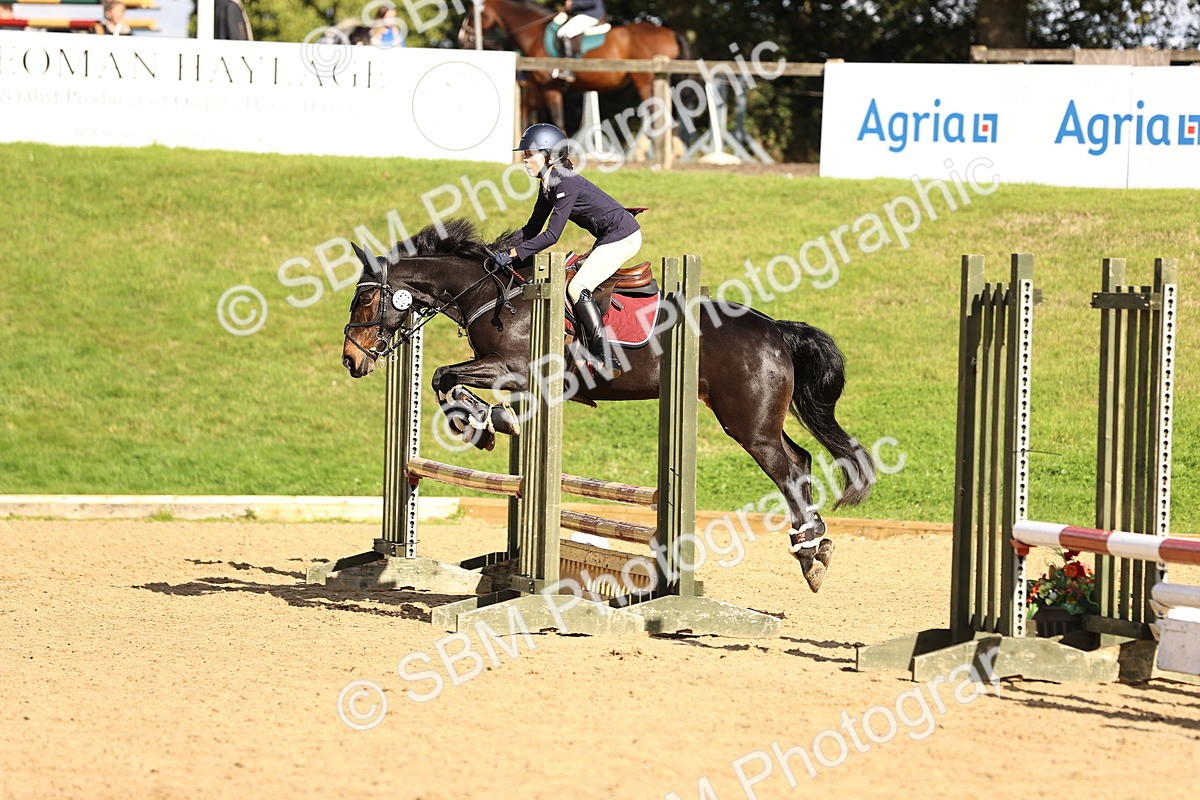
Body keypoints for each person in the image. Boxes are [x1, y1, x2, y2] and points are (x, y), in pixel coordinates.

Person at [492, 123, 641, 376]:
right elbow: (531, 229)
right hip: (608, 237)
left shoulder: (564, 183)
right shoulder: (548, 183)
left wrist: (515, 254)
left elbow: (551, 236)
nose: (525, 161)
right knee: (572, 284)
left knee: (577, 287)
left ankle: (605, 356)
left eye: (529, 155)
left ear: (549, 155)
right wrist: (498, 248)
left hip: (624, 237)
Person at [552, 0, 605, 82]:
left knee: (563, 33)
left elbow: (592, 2)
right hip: (589, 14)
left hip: (591, 15)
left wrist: (573, 3)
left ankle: (567, 69)